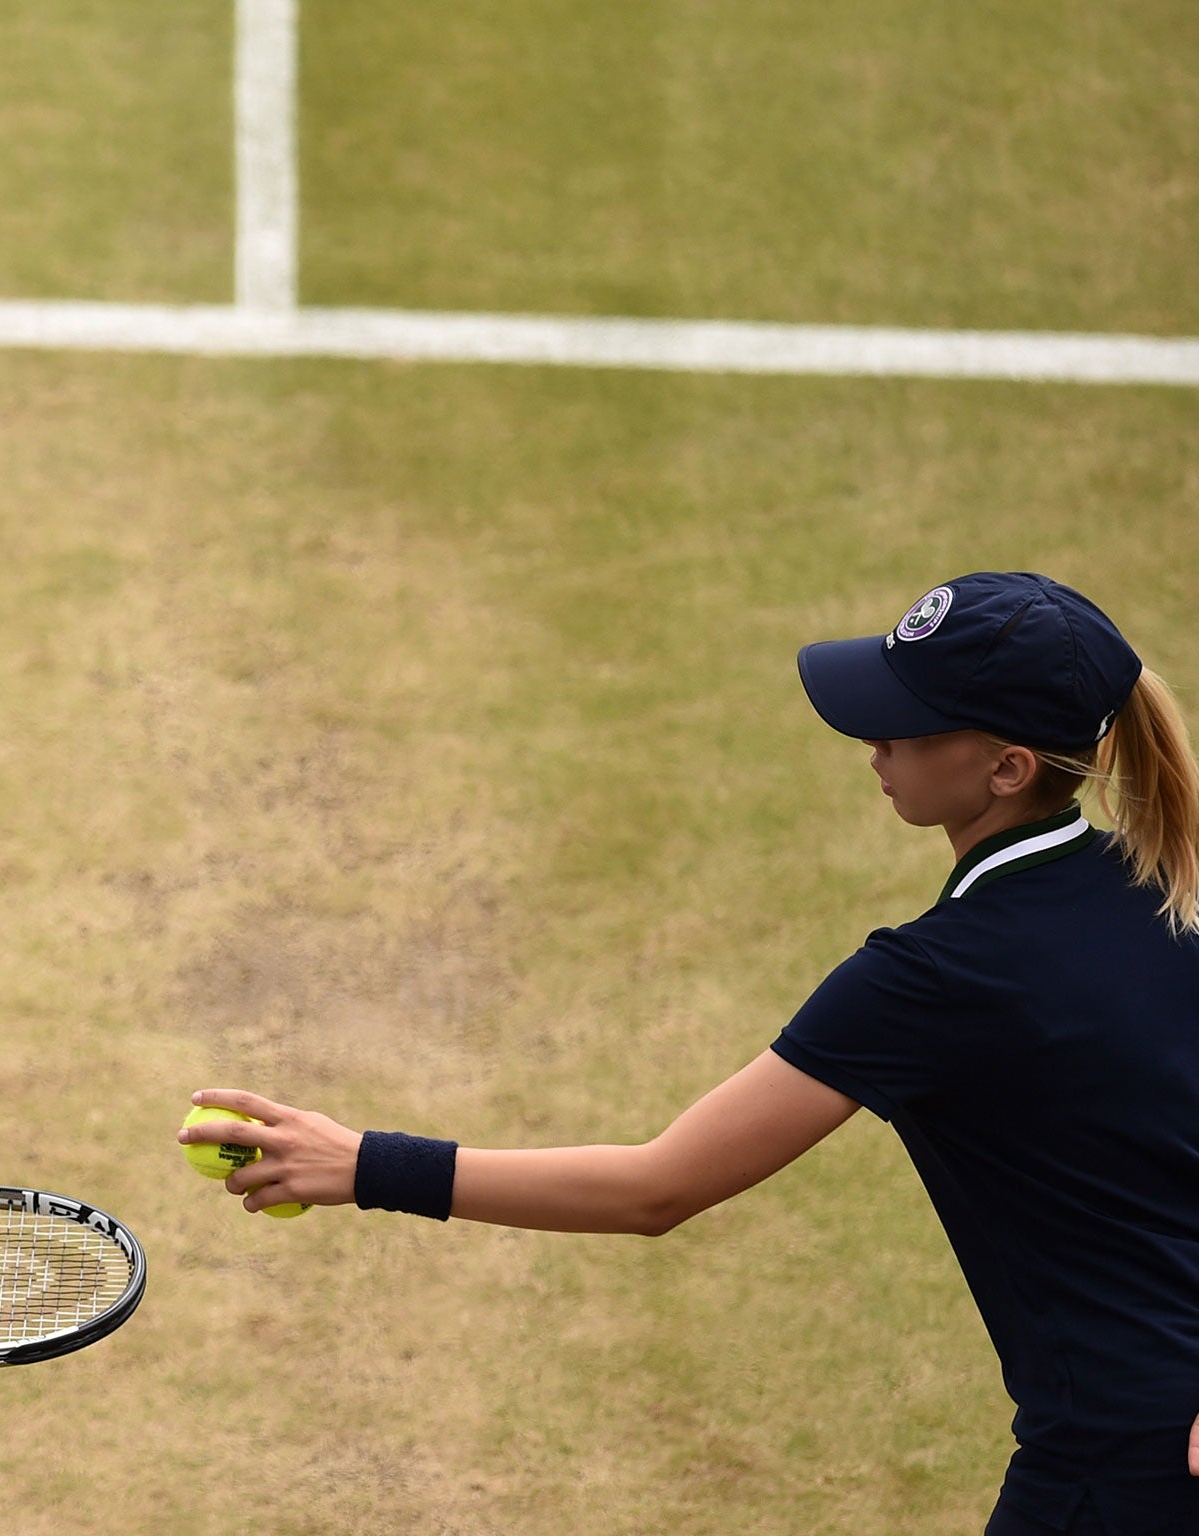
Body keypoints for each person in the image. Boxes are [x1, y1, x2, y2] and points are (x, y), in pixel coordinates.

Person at [180, 572, 1199, 1534]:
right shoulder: (1166, 890)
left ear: (1005, 768)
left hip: (1121, 1474)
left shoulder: (933, 979)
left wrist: (363, 1166)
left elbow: (652, 1190)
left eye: (903, 724)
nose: (869, 742)